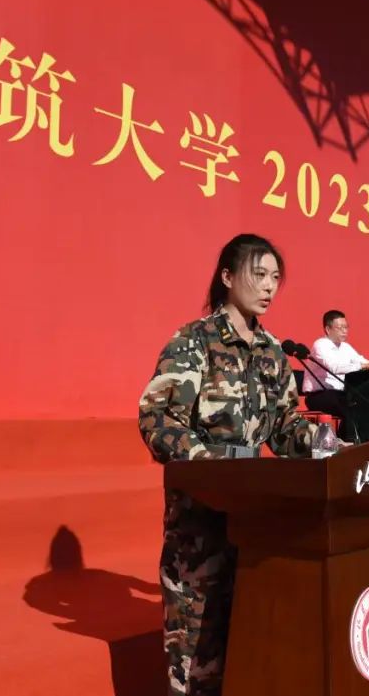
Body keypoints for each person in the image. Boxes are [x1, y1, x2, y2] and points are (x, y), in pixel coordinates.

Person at [138, 234, 316, 696]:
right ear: (228, 277)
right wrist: (214, 466)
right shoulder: (194, 341)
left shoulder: (273, 351)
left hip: (256, 530)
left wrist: (321, 442)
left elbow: (284, 427)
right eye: (259, 275)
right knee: (196, 667)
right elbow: (158, 420)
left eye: (275, 277)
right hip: (199, 533)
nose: (269, 286)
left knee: (249, 655)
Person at [303, 310, 369, 431]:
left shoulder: (346, 347)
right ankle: (347, 439)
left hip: (339, 394)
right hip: (319, 395)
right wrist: (363, 365)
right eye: (340, 327)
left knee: (364, 404)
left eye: (346, 327)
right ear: (328, 329)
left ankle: (350, 438)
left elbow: (362, 361)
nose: (344, 331)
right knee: (350, 408)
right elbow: (334, 367)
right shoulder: (320, 345)